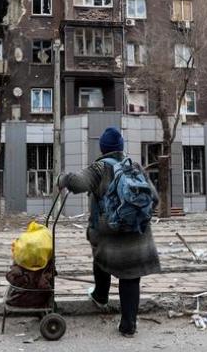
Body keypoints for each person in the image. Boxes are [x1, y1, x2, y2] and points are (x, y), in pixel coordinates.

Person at [58, 127, 161, 337]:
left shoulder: (99, 168)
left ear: (103, 148)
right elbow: (155, 199)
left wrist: (62, 179)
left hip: (110, 234)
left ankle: (101, 296)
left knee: (101, 258)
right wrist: (136, 216)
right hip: (138, 233)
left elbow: (77, 183)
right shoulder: (134, 167)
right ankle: (128, 326)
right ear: (121, 147)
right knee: (131, 277)